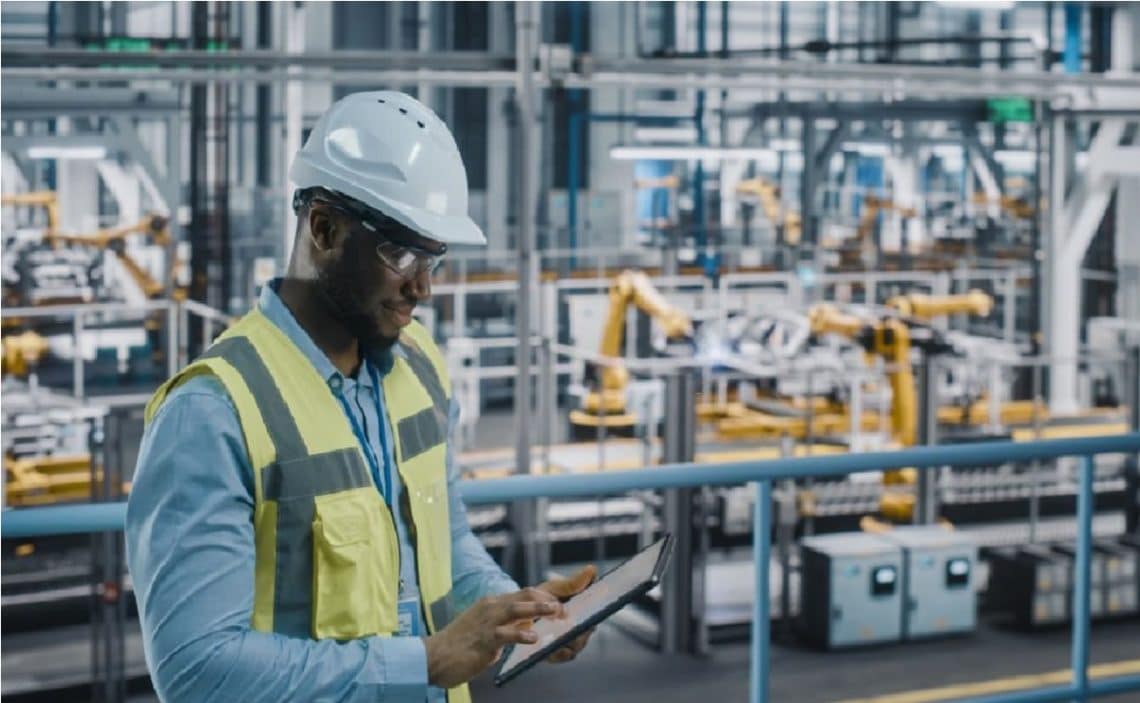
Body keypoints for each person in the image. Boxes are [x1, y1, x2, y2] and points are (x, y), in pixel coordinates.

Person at [125, 91, 596, 703]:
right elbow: (197, 672)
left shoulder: (420, 365)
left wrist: (515, 611)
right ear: (323, 228)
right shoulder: (213, 413)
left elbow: (444, 543)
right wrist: (423, 661)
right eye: (401, 253)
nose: (423, 287)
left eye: (435, 258)